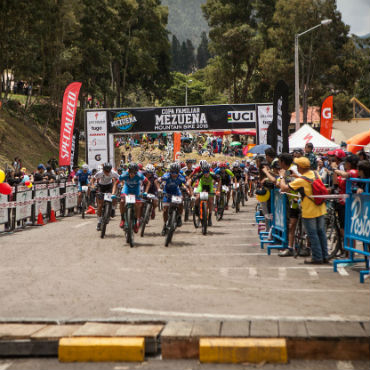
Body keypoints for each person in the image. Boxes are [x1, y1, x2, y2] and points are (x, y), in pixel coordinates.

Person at [279, 157, 328, 264]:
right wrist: (297, 177)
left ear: (300, 167)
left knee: (313, 234)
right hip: (321, 208)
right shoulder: (316, 174)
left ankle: (317, 257)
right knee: (321, 233)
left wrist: (282, 176)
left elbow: (283, 188)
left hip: (309, 210)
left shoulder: (300, 181)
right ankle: (325, 256)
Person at [161, 162, 190, 235]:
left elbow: (188, 180)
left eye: (176, 172)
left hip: (176, 191)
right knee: (165, 210)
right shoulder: (166, 176)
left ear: (178, 172)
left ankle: (179, 216)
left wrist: (187, 186)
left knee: (181, 202)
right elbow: (157, 181)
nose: (174, 174)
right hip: (167, 191)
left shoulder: (180, 177)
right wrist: (159, 189)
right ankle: (165, 225)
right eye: (172, 172)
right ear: (170, 172)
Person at [119, 162, 147, 232]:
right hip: (126, 189)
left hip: (136, 190)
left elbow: (148, 182)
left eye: (133, 172)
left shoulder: (140, 175)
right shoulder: (124, 174)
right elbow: (116, 182)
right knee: (122, 201)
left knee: (137, 205)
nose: (131, 174)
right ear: (128, 171)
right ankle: (122, 218)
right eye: (130, 172)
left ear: (136, 172)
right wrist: (113, 193)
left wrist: (145, 192)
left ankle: (137, 221)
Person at [91, 163, 119, 231]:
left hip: (109, 186)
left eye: (108, 171)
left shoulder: (113, 173)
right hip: (101, 187)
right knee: (100, 205)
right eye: (105, 171)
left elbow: (120, 178)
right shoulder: (100, 173)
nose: (107, 173)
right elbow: (93, 179)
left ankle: (112, 208)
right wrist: (92, 185)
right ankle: (99, 222)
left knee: (113, 196)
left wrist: (120, 184)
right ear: (103, 170)